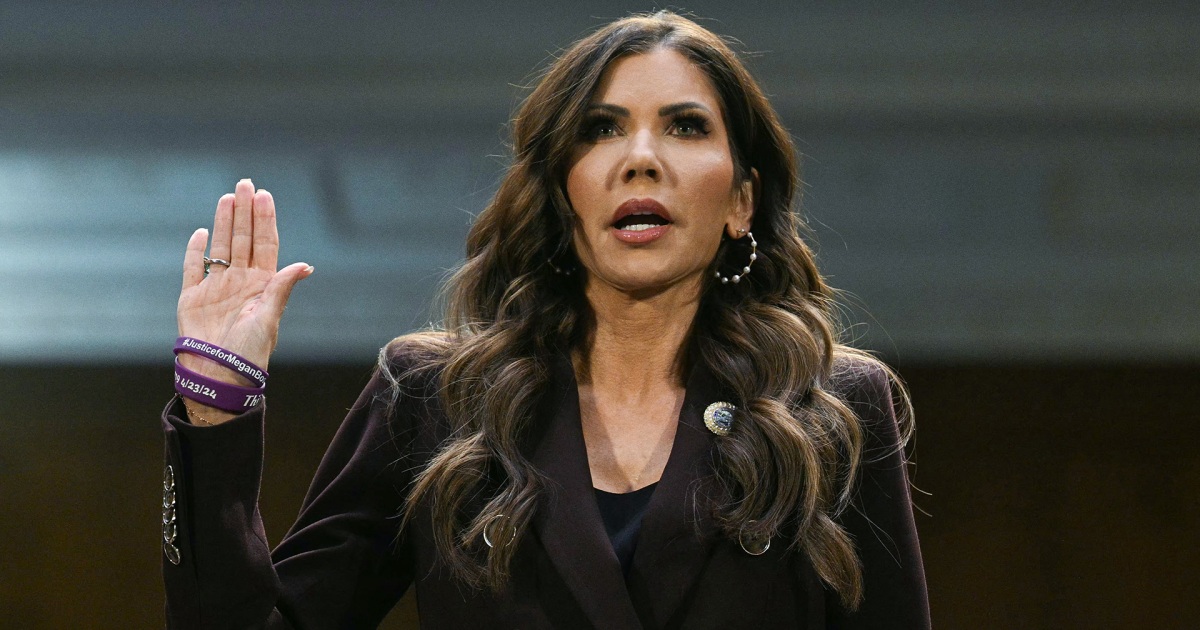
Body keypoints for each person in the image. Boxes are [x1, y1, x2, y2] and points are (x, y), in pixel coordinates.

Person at [160, 11, 929, 629]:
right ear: (562, 193)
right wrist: (216, 399)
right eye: (600, 129)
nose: (640, 158)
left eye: (686, 126)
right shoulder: (433, 401)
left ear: (741, 202)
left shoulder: (836, 411)